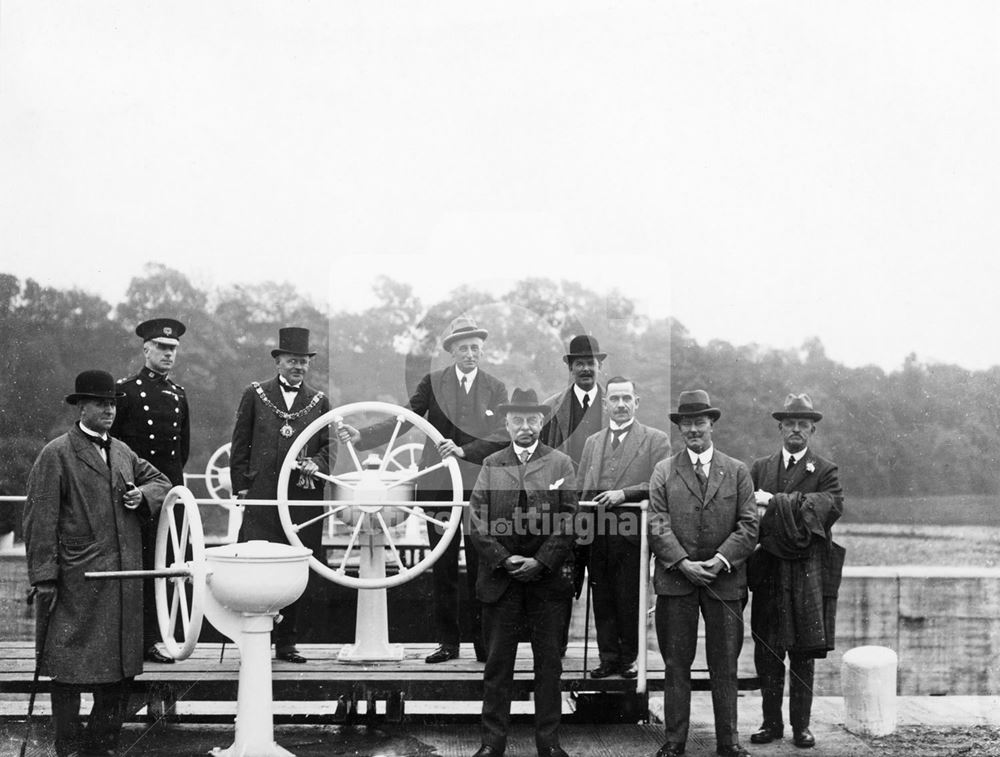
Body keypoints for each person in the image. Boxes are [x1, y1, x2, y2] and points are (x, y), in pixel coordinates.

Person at [338, 315, 508, 663]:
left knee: (481, 565)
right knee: (441, 564)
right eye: (463, 348)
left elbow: (500, 436)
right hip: (436, 486)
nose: (470, 353)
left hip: (477, 488)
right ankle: (448, 644)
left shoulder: (495, 387)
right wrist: (364, 436)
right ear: (452, 352)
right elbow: (406, 418)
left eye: (475, 348)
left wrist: (465, 451)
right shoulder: (433, 382)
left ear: (482, 350)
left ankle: (482, 645)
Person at [23, 370, 171, 757]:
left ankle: (101, 748)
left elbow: (162, 482)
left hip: (121, 580)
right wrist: (44, 578)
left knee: (119, 673)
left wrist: (143, 494)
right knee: (68, 669)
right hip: (77, 582)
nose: (109, 410)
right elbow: (39, 520)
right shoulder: (56, 453)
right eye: (100, 403)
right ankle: (68, 747)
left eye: (112, 404)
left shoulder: (122, 451)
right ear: (81, 407)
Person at [467, 388, 579, 757]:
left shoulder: (560, 463)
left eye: (532, 420)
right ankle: (491, 743)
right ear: (507, 424)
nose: (526, 427)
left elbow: (571, 518)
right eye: (518, 420)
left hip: (547, 584)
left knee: (549, 666)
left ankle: (548, 743)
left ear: (541, 422)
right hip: (502, 582)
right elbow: (477, 520)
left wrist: (541, 561)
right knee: (498, 666)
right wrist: (505, 560)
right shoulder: (491, 465)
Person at [648, 390, 758, 757]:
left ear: (712, 424)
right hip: (676, 581)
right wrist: (682, 563)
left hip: (724, 581)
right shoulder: (664, 470)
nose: (693, 429)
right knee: (675, 662)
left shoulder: (738, 470)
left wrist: (720, 561)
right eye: (686, 423)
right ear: (679, 428)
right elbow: (658, 524)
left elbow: (748, 526)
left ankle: (728, 741)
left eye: (699, 422)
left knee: (724, 663)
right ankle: (674, 740)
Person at [230, 326, 334, 663]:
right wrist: (241, 488)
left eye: (303, 362)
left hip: (302, 500)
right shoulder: (256, 393)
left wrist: (315, 463)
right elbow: (239, 444)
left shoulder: (319, 402)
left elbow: (330, 450)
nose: (298, 367)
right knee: (258, 566)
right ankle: (254, 639)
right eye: (292, 361)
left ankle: (287, 643)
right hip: (261, 496)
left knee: (295, 568)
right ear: (278, 362)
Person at [748, 394, 845, 749]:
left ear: (812, 430)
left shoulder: (825, 471)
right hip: (770, 571)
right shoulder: (759, 468)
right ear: (780, 428)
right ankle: (770, 722)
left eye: (803, 425)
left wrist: (772, 502)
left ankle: (801, 725)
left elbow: (829, 508)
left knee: (804, 651)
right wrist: (791, 510)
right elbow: (747, 516)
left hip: (806, 573)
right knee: (768, 649)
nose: (796, 431)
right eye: (790, 424)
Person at [578, 376, 670, 679]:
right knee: (602, 597)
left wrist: (625, 494)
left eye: (626, 399)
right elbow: (582, 487)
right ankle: (608, 658)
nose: (620, 405)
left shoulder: (656, 440)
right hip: (597, 533)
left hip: (633, 535)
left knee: (629, 598)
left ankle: (630, 657)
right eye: (614, 399)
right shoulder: (593, 443)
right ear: (605, 405)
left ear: (636, 402)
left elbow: (661, 484)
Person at [111, 317, 190, 664]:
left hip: (169, 492)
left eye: (173, 349)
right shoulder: (125, 391)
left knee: (169, 563)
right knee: (140, 563)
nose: (168, 355)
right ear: (146, 349)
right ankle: (139, 640)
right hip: (136, 492)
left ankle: (160, 636)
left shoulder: (178, 395)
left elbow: (182, 450)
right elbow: (113, 447)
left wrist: (168, 488)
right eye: (162, 348)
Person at [541, 334, 608, 654]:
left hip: (604, 507)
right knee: (560, 577)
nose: (586, 369)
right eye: (579, 363)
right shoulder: (553, 406)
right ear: (569, 367)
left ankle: (612, 653)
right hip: (565, 507)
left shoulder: (616, 406)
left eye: (591, 363)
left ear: (600, 366)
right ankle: (557, 648)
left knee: (605, 580)